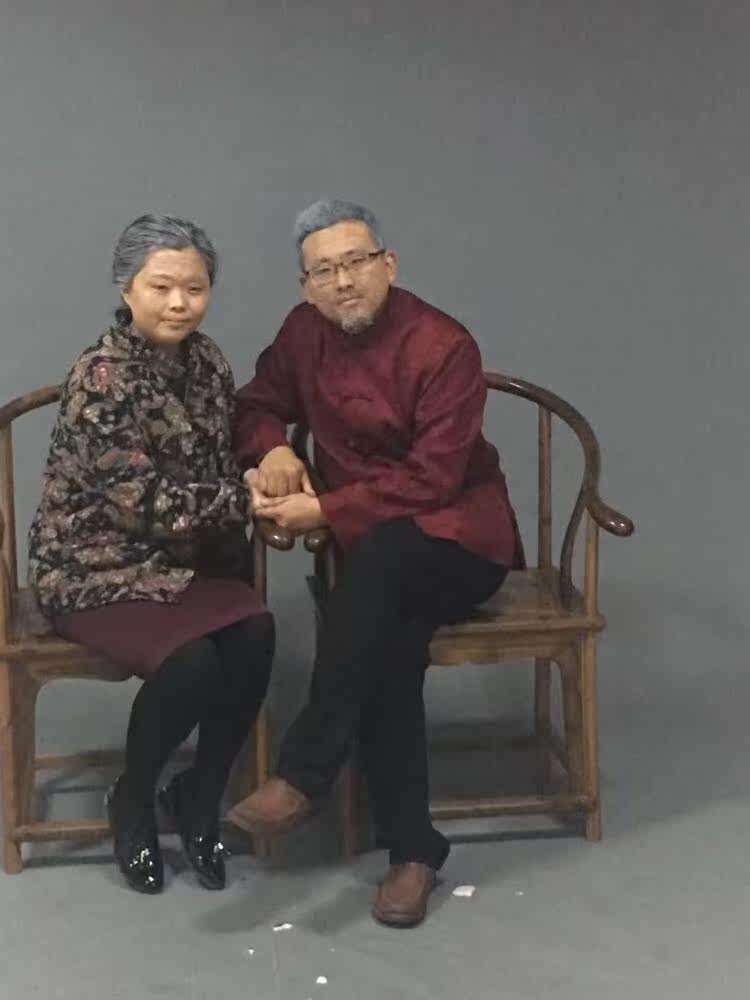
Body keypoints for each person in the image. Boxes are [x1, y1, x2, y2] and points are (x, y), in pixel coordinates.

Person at [228, 199, 522, 927]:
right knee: (390, 643)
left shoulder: (444, 344)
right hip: (370, 564)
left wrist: (324, 510)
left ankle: (306, 771)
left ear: (388, 264)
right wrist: (273, 449)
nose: (343, 281)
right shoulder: (303, 333)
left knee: (385, 559)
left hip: (459, 542)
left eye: (356, 262)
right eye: (323, 271)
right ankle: (413, 852)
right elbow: (256, 404)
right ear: (306, 287)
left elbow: (433, 481)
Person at [28, 214, 273, 895]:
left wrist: (262, 472)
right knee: (192, 661)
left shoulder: (208, 362)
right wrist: (250, 502)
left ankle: (199, 795)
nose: (178, 303)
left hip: (184, 564)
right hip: (94, 567)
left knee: (255, 632)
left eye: (194, 288)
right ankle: (133, 797)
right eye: (161, 286)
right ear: (127, 288)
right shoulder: (101, 379)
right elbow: (148, 502)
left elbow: (223, 460)